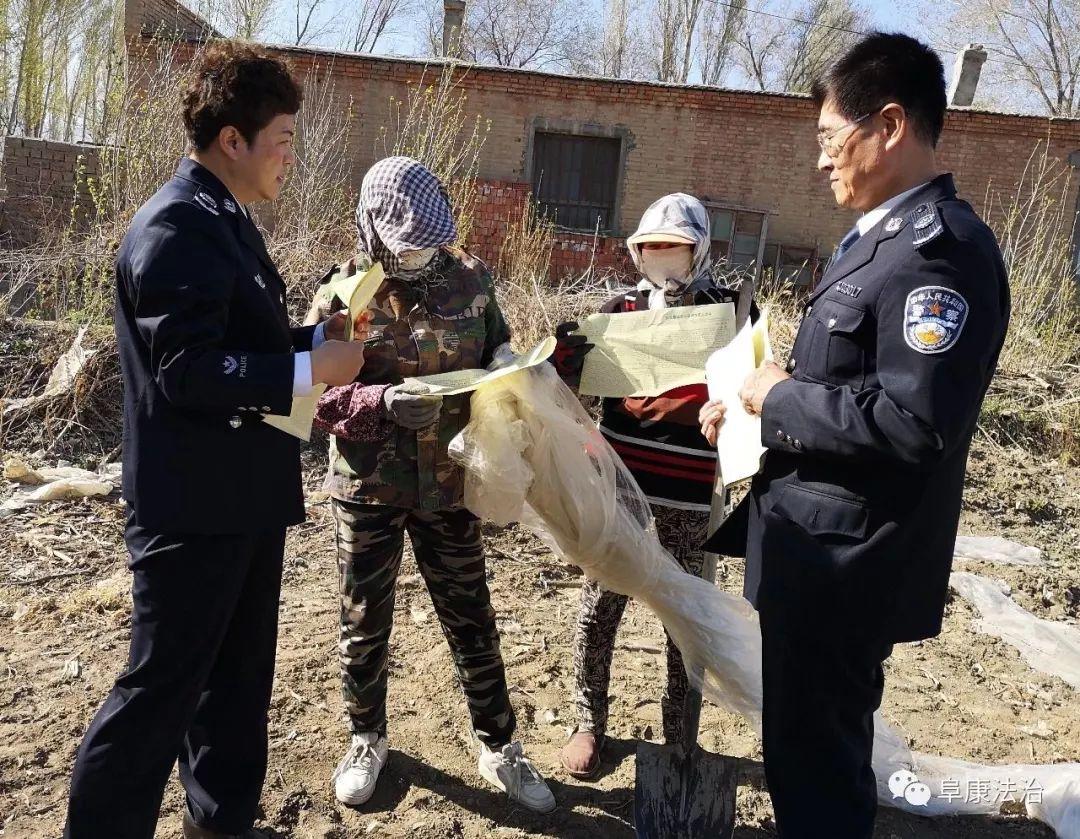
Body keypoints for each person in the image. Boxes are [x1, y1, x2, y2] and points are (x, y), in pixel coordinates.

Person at [699, 33, 1010, 838]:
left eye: (831, 141)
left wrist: (780, 398)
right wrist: (752, 415)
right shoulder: (879, 238)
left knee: (820, 765)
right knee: (807, 751)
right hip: (814, 552)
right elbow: (847, 395)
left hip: (848, 566)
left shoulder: (940, 254)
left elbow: (913, 425)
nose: (820, 162)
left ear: (892, 125)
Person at [64, 43, 366, 839]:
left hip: (241, 497)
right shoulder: (175, 226)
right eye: (283, 140)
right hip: (192, 507)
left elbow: (239, 339)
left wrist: (313, 342)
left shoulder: (221, 218)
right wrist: (306, 368)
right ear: (232, 139)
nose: (290, 157)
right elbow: (189, 370)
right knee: (159, 692)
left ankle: (219, 824)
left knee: (234, 685)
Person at [312, 156, 556, 814]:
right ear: (373, 227)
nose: (415, 247)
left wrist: (510, 366)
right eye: (402, 236)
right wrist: (382, 401)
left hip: (450, 483)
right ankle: (366, 737)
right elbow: (315, 397)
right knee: (363, 622)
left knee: (471, 614)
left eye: (426, 234)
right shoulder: (348, 294)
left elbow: (497, 346)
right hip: (369, 486)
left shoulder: (472, 279)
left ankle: (499, 744)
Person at [552, 193, 753, 779]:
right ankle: (588, 720)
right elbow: (578, 401)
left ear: (701, 250)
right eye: (652, 248)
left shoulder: (733, 313)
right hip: (623, 486)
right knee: (600, 604)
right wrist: (568, 363)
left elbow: (753, 389)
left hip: (694, 493)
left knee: (686, 616)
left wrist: (715, 410)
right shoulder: (619, 312)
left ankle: (679, 735)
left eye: (676, 248)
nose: (663, 259)